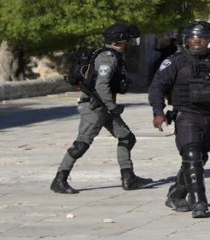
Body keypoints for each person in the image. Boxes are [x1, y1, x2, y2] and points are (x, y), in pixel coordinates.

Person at [148, 21, 210, 219]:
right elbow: (157, 87)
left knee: (201, 156)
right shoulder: (175, 61)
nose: (198, 40)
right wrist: (158, 112)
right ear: (186, 39)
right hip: (186, 114)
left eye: (202, 37)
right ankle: (199, 201)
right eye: (193, 36)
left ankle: (176, 193)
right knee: (192, 153)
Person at [51, 23, 153, 195]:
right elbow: (101, 85)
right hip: (95, 107)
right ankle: (59, 179)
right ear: (121, 40)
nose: (130, 42)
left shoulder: (114, 55)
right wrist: (112, 107)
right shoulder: (108, 57)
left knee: (127, 137)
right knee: (81, 144)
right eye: (128, 39)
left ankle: (128, 177)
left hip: (104, 107)